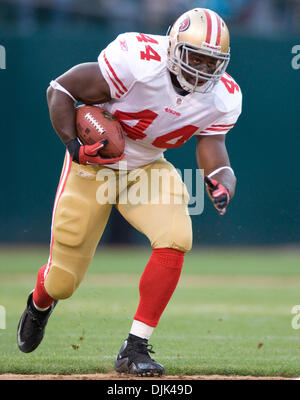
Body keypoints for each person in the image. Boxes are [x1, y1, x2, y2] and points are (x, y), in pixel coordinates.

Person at [17, 7, 242, 377]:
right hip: (93, 167)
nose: (201, 69)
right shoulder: (136, 60)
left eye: (211, 62)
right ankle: (40, 302)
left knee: (176, 235)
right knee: (63, 280)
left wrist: (223, 180)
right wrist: (73, 146)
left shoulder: (223, 96)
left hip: (147, 166)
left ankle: (134, 347)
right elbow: (60, 87)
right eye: (194, 57)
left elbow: (213, 148)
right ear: (173, 47)